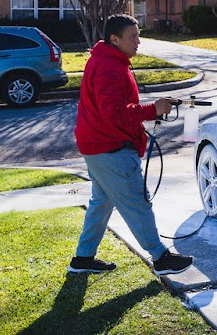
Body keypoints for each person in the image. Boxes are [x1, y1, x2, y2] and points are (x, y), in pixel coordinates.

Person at [68, 14, 192, 276]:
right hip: (110, 148)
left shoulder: (107, 60)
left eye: (138, 35)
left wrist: (153, 109)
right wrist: (152, 109)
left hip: (98, 145)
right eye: (133, 36)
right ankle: (161, 258)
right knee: (137, 202)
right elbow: (112, 111)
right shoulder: (108, 67)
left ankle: (83, 259)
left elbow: (114, 108)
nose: (139, 41)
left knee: (101, 203)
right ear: (115, 38)